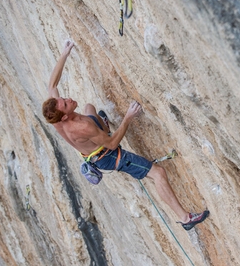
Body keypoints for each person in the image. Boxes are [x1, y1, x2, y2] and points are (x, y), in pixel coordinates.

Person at [42, 40, 209, 230]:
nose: (68, 99)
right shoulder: (82, 128)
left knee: (89, 107)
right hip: (109, 155)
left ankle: (102, 128)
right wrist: (128, 118)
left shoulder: (55, 117)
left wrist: (64, 54)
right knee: (158, 173)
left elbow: (52, 84)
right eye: (65, 103)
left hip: (92, 146)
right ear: (64, 117)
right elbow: (113, 144)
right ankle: (186, 219)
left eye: (63, 99)